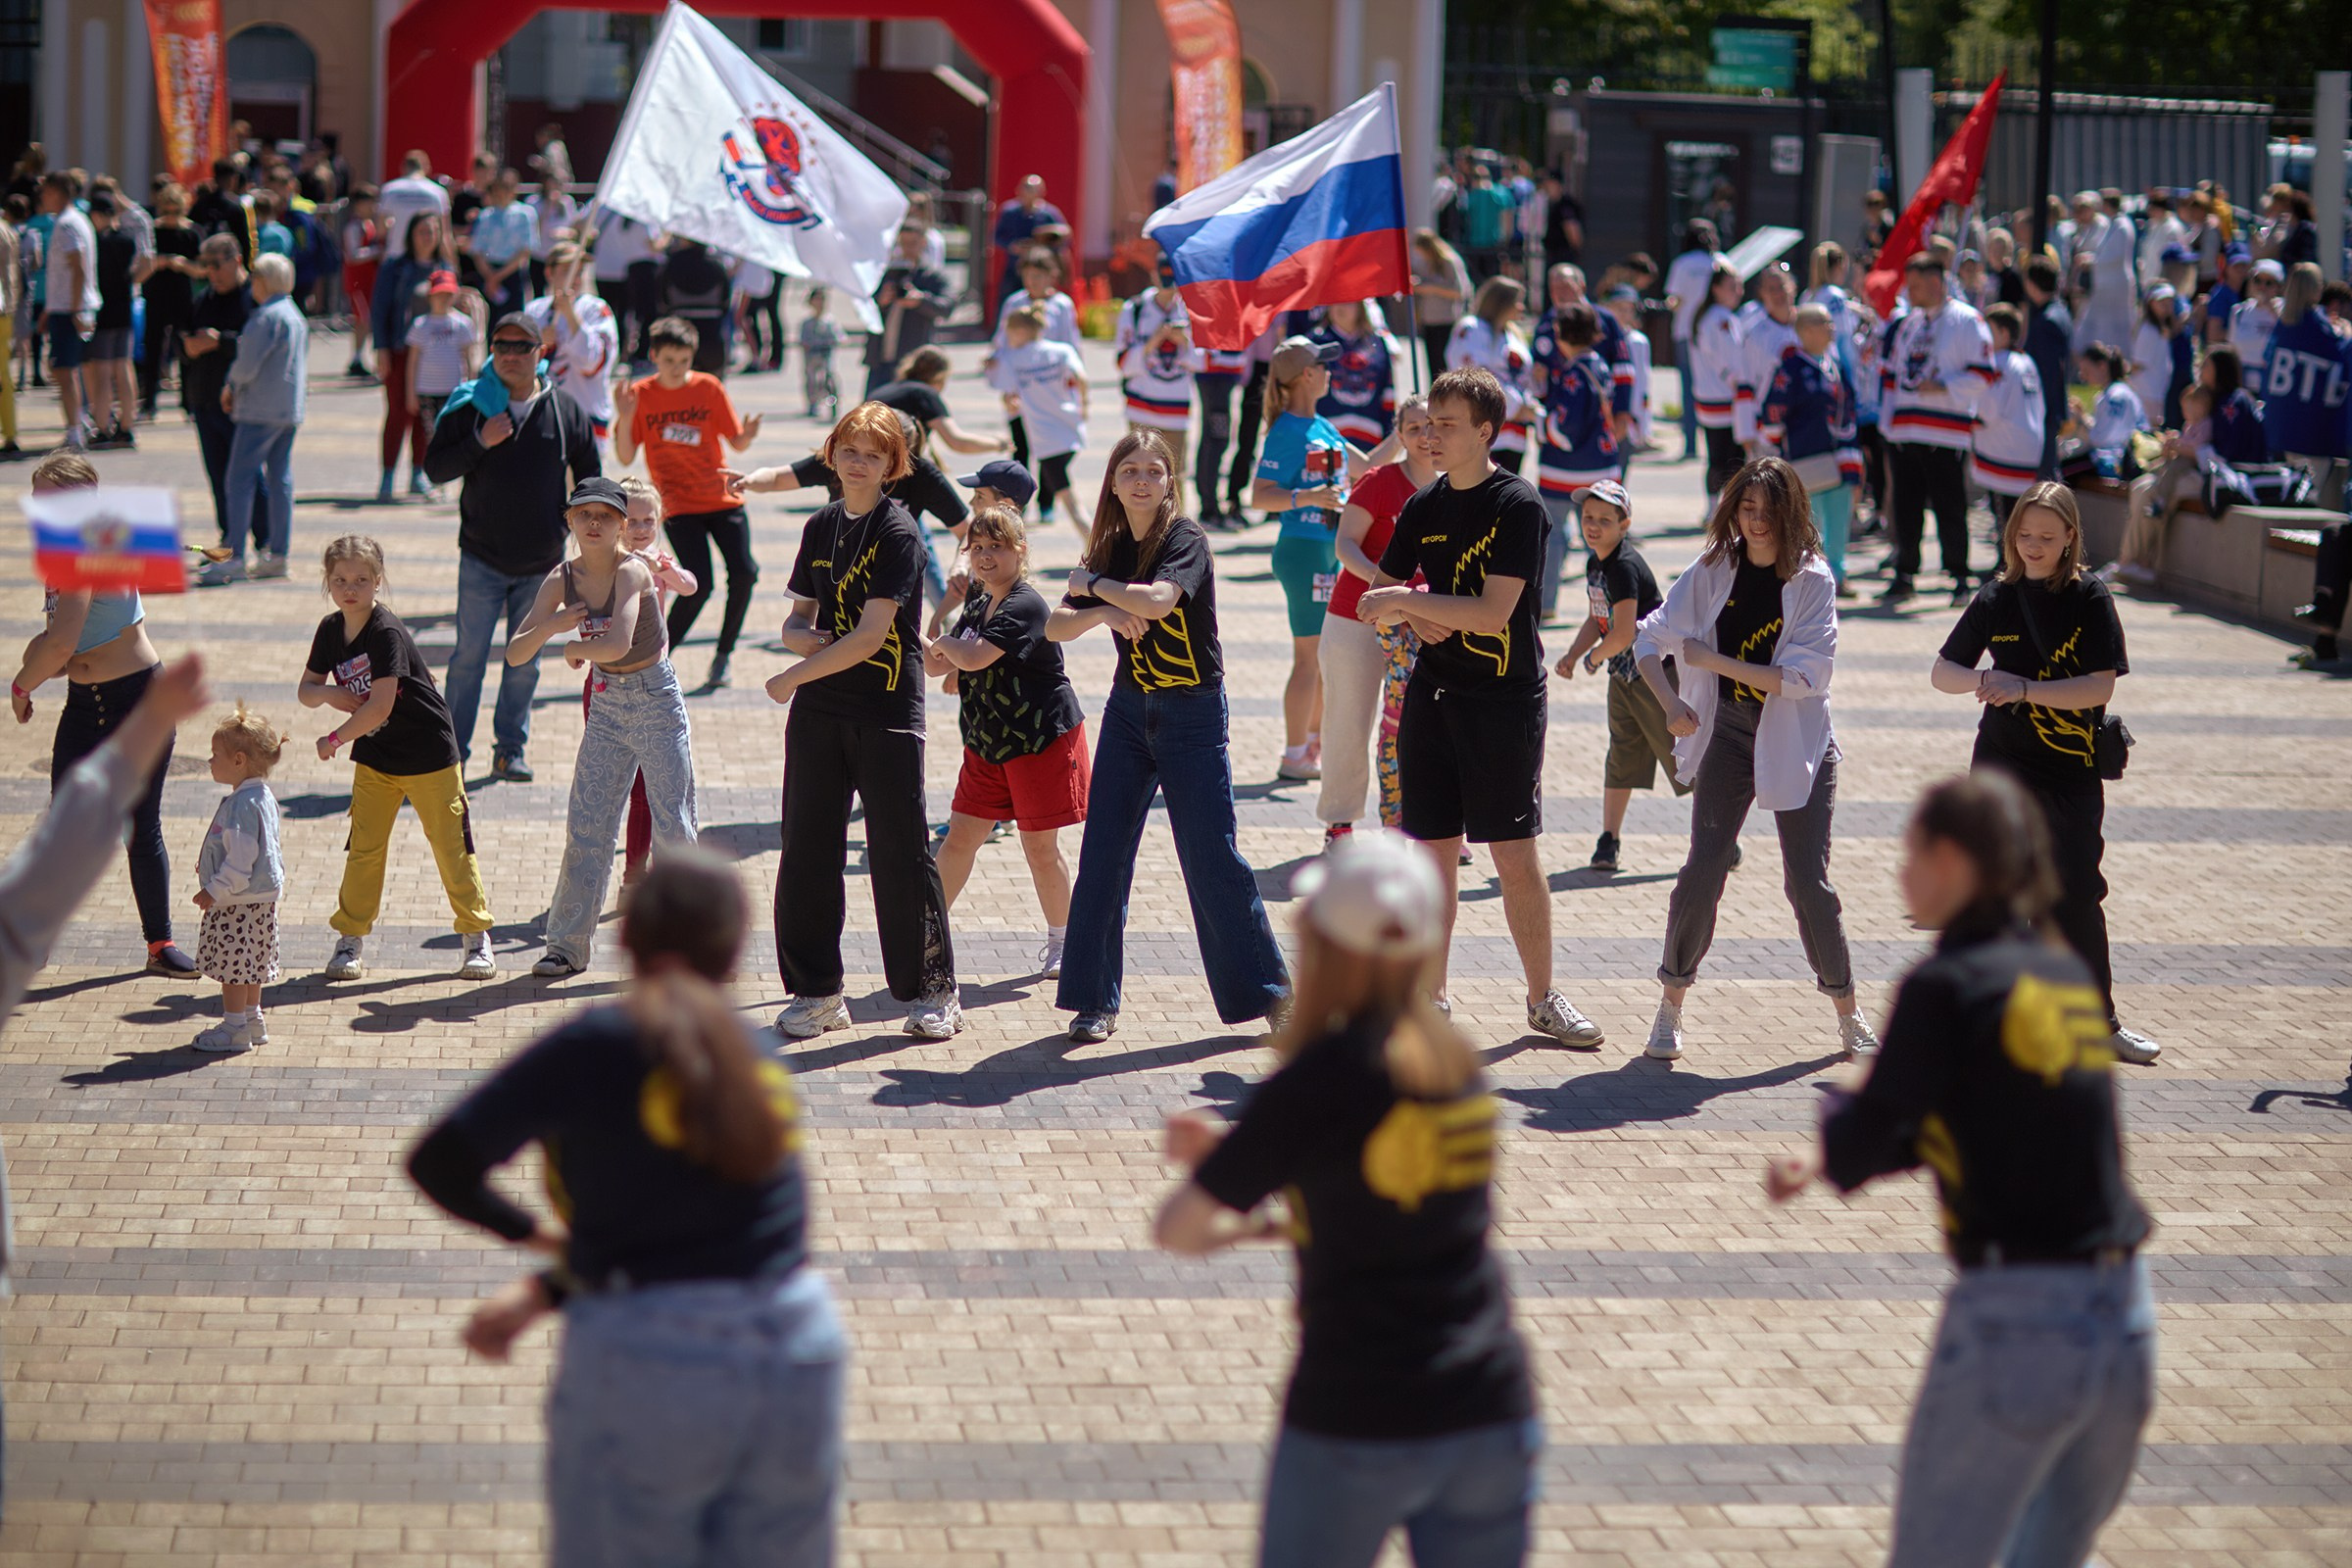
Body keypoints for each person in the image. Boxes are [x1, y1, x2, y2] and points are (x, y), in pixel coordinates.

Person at [405, 849, 844, 1567]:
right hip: (795, 1351)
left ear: (627, 941)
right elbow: (697, 1227)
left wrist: (540, 1243)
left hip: (650, 1363)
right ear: (734, 956)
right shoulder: (748, 1056)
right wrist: (546, 1292)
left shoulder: (597, 1044)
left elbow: (440, 1161)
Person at [1764, 770, 2154, 1567]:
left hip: (2021, 1322)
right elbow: (1992, 1115)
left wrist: (1836, 1134)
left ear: (1954, 861)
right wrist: (1836, 1155)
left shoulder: (1943, 986)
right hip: (2125, 1321)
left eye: (1913, 853)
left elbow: (1875, 1127)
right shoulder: (2061, 972)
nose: (1902, 873)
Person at [1152, 829, 1539, 1567]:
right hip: (1488, 1405)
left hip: (1356, 1408)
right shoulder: (1456, 1069)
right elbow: (1393, 1206)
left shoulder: (1316, 1082)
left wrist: (1228, 1181)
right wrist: (1284, 1195)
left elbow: (1178, 1230)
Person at [1357, 367, 1605, 1048]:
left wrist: (1411, 604)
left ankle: (1542, 999)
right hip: (1430, 699)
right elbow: (1377, 598)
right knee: (1430, 854)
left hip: (1503, 702)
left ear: (1486, 432)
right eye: (1428, 423)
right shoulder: (1422, 505)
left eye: (1447, 425)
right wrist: (1414, 610)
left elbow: (1494, 615)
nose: (1432, 436)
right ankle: (1430, 1000)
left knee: (1514, 855)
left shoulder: (1517, 504)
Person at [1632, 456, 1876, 1064]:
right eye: (1747, 508)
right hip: (1728, 736)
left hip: (1797, 741)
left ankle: (1848, 1011)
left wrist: (1711, 663)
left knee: (1808, 884)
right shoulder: (1716, 567)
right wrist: (1669, 703)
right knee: (1702, 869)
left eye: (1769, 510)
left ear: (1792, 513)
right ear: (1733, 509)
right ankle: (1670, 1004)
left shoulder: (1813, 579)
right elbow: (1648, 637)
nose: (1757, 521)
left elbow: (1804, 679)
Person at [1049, 430, 1288, 1041]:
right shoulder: (1105, 543)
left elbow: (1157, 602)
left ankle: (1273, 996)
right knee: (1103, 854)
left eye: (1154, 471)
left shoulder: (1185, 538)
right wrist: (1099, 607)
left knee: (1211, 859)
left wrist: (1093, 588)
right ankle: (1094, 1000)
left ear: (1168, 482)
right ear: (1112, 480)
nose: (1141, 481)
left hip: (1193, 712)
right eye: (1129, 470)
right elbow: (1055, 624)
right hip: (1129, 712)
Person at [1932, 482, 2160, 1065]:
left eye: (2046, 538)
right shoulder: (1996, 597)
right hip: (2002, 765)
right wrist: (1984, 682)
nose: (2033, 547)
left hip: (2070, 769)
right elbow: (1942, 672)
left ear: (2070, 539)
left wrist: (2026, 688)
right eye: (2024, 535)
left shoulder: (2089, 597)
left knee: (2077, 896)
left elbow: (2100, 685)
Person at [767, 402, 962, 1041]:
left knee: (900, 855)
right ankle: (817, 992)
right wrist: (806, 644)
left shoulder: (898, 531)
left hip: (885, 711)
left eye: (872, 454)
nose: (858, 462)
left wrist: (794, 670)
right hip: (820, 711)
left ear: (892, 465)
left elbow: (874, 636)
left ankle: (933, 991)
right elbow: (797, 621)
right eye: (850, 449)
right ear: (833, 451)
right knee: (805, 850)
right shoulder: (821, 524)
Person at [504, 477, 702, 978]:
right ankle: (566, 947)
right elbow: (515, 652)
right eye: (584, 515)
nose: (594, 524)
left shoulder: (632, 571)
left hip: (655, 698)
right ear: (569, 521)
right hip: (608, 706)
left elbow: (615, 644)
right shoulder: (560, 579)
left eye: (606, 516)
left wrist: (573, 649)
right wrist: (550, 627)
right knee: (587, 827)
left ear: (620, 525)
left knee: (674, 827)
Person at [9, 452, 197, 975]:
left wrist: (21, 686)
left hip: (136, 699)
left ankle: (159, 944)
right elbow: (57, 637)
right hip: (84, 703)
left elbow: (62, 642)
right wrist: (35, 661)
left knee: (141, 826)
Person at [302, 534, 498, 983]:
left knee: (452, 848)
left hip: (428, 751)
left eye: (361, 579)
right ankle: (349, 940)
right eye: (340, 580)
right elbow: (305, 690)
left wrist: (333, 739)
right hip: (376, 756)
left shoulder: (384, 631)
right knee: (364, 850)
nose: (350, 588)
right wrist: (331, 692)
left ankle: (476, 937)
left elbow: (380, 706)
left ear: (378, 581)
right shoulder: (331, 629)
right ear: (328, 583)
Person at [424, 310, 604, 782]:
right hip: (481, 557)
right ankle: (451, 755)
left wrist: (575, 525)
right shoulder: (471, 406)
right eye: (500, 345)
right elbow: (435, 469)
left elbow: (591, 480)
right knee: (466, 662)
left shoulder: (565, 411)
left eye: (520, 346)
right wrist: (479, 442)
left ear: (539, 353)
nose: (508, 355)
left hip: (542, 563)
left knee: (524, 664)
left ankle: (509, 750)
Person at [925, 506, 1088, 977]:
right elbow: (940, 664)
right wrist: (911, 636)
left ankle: (1064, 941)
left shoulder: (1025, 604)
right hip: (988, 743)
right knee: (959, 839)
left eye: (996, 546)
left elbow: (971, 658)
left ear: (1020, 550)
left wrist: (942, 645)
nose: (985, 556)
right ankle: (927, 930)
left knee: (1040, 850)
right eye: (977, 548)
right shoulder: (977, 603)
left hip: (1039, 741)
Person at [614, 316, 763, 692]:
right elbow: (626, 454)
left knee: (745, 572)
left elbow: (737, 443)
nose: (677, 369)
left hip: (721, 497)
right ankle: (658, 655)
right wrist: (627, 415)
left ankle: (724, 655)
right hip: (678, 505)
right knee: (698, 584)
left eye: (683, 361)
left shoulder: (709, 387)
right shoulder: (642, 394)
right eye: (668, 361)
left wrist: (747, 435)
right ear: (654, 356)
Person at [1550, 479, 1685, 875]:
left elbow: (1624, 632)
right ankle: (1608, 841)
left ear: (1624, 525)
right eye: (1588, 517)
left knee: (1684, 759)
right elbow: (1600, 618)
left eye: (1605, 520)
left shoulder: (1624, 565)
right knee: (1621, 755)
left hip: (1656, 677)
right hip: (1624, 677)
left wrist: (1592, 659)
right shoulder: (1597, 562)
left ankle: (1719, 839)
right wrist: (1574, 655)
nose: (1593, 526)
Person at [1319, 396, 1436, 847]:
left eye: (1433, 426)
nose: (1425, 437)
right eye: (1413, 428)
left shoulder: (1456, 486)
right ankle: (1340, 825)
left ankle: (1429, 825)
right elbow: (1345, 545)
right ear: (1398, 435)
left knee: (1423, 728)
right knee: (1349, 722)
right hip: (1357, 618)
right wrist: (1386, 584)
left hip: (1424, 624)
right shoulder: (1379, 482)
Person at [1251, 336, 1351, 783]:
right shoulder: (1288, 430)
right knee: (1309, 657)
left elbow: (1368, 467)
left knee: (1324, 656)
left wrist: (1408, 429)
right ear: (1306, 376)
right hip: (1303, 549)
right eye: (1323, 365)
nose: (1331, 371)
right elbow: (1259, 496)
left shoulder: (1321, 426)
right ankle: (1295, 752)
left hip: (1328, 549)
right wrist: (1307, 495)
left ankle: (1312, 744)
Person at [1882, 253, 1994, 607]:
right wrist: (1888, 423)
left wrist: (1944, 384)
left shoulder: (1967, 321)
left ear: (1934, 283)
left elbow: (1984, 374)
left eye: (1914, 285)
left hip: (1944, 432)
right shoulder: (1909, 323)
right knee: (1905, 505)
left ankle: (1959, 576)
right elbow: (1892, 373)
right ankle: (1905, 572)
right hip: (1905, 430)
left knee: (1949, 505)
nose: (1908, 292)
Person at [203, 254, 306, 586]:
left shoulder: (265, 317)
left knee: (239, 480)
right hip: (288, 409)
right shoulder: (294, 314)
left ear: (264, 281)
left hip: (259, 409)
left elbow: (246, 366)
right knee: (280, 480)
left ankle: (233, 556)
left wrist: (230, 385)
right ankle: (278, 554)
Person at [189, 705, 286, 1054]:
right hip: (260, 899)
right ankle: (252, 1019)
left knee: (233, 969)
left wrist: (213, 890)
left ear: (240, 760)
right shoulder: (261, 796)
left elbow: (242, 858)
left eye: (216, 755)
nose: (210, 760)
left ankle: (234, 1029)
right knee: (251, 966)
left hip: (237, 901)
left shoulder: (242, 805)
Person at [1757, 302, 1860, 592]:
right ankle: (1810, 578)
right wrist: (1779, 451)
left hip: (1839, 457)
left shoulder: (1835, 366)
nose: (1832, 329)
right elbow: (1773, 412)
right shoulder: (1790, 369)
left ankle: (1838, 574)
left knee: (1840, 518)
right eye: (1825, 324)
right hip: (1804, 459)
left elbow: (1849, 409)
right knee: (1808, 521)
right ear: (1805, 330)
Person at [1531, 303, 1620, 617]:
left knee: (1552, 536)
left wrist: (1537, 418)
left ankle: (1546, 604)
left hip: (1566, 471)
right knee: (1603, 538)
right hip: (1602, 465)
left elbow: (1564, 429)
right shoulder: (1600, 366)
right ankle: (1615, 603)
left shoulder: (1573, 373)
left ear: (1561, 335)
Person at [985, 302, 1089, 533]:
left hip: (1044, 433)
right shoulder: (1062, 350)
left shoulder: (1012, 358)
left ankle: (1094, 545)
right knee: (1065, 489)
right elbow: (1082, 378)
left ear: (1019, 331)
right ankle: (1092, 543)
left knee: (1071, 501)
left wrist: (1012, 403)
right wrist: (1084, 407)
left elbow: (1009, 397)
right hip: (1070, 424)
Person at [371, 211, 448, 502]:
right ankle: (388, 475)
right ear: (411, 235)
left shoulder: (444, 268)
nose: (428, 237)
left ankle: (419, 473)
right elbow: (379, 310)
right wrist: (381, 349)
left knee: (425, 415)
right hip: (400, 350)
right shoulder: (395, 267)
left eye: (433, 231)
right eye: (422, 231)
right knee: (398, 412)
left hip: (434, 356)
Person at [2259, 263, 2352, 503]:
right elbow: (2342, 355)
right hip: (2313, 434)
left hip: (2280, 431)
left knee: (2283, 496)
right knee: (2304, 501)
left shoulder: (2283, 326)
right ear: (2315, 289)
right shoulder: (2324, 330)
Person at [990, 248, 1082, 473]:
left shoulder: (1061, 305)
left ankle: (1046, 504)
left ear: (1052, 276)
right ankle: (1018, 501)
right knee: (1020, 446)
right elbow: (1002, 342)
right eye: (1028, 276)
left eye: (1038, 276)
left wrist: (1073, 382)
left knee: (1051, 449)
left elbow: (1071, 344)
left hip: (1049, 386)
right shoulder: (1015, 303)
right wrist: (994, 362)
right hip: (1021, 384)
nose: (1032, 281)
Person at [523, 240, 621, 450]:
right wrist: (539, 346)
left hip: (586, 419)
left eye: (579, 272)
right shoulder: (533, 311)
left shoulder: (597, 310)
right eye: (568, 271)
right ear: (549, 273)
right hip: (542, 418)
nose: (575, 279)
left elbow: (592, 363)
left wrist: (570, 315)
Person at [1113, 259, 1197, 495]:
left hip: (1177, 409)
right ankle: (1137, 529)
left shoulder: (1192, 309)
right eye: (1164, 277)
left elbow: (1205, 361)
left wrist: (1184, 342)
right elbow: (1122, 363)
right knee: (1137, 475)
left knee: (1174, 476)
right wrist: (1154, 341)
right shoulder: (1135, 308)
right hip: (1141, 407)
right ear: (1154, 274)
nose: (1169, 285)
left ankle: (1174, 529)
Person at [37, 172, 96, 449]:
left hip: (70, 308)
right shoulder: (74, 220)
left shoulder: (67, 224)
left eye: (46, 191)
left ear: (58, 192)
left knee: (65, 370)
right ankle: (79, 422)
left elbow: (78, 267)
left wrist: (73, 309)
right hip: (67, 306)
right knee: (68, 368)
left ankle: (75, 429)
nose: (43, 198)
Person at [862, 223, 951, 398]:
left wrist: (920, 300)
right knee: (872, 415)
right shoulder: (886, 273)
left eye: (913, 243)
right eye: (904, 243)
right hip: (881, 359)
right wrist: (881, 300)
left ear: (923, 243)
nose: (908, 249)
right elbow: (864, 306)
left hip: (913, 364)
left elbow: (946, 308)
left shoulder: (932, 277)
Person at [1663, 219, 1725, 462]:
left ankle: (1690, 445)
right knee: (1716, 388)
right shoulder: (1721, 262)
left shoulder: (1682, 264)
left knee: (1689, 390)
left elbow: (1674, 300)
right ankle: (1715, 445)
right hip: (1717, 334)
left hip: (1685, 332)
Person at [403, 269, 476, 458]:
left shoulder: (463, 324)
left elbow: (469, 357)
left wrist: (473, 386)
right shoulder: (421, 324)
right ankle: (435, 471)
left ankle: (450, 472)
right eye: (439, 294)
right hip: (427, 389)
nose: (443, 299)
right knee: (432, 434)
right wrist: (410, 392)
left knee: (453, 432)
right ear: (430, 296)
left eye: (448, 294)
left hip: (454, 389)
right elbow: (412, 362)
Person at [1689, 265, 1745, 507]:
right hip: (1724, 398)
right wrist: (1741, 386)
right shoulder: (1720, 319)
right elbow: (1728, 361)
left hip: (1710, 396)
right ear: (1716, 289)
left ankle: (1715, 507)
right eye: (1732, 286)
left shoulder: (1711, 316)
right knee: (1729, 458)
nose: (1739, 292)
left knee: (1720, 457)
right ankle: (1718, 508)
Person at [82, 192, 136, 448]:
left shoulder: (95, 242)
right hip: (124, 310)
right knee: (124, 367)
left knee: (102, 372)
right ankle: (127, 426)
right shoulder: (127, 241)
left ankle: (102, 426)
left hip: (103, 312)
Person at [1311, 299, 1396, 448]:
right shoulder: (1315, 344)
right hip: (1325, 442)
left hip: (1370, 441)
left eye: (1348, 301)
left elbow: (1387, 394)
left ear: (1361, 307)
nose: (1339, 306)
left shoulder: (1377, 344)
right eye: (1335, 300)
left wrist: (1389, 439)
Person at [2061, 344, 2147, 482]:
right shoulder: (2109, 394)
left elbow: (2104, 439)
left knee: (2061, 472)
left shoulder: (2117, 396)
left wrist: (2081, 419)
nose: (2082, 376)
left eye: (2086, 371)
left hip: (2118, 460)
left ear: (2102, 366)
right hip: (2112, 456)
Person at [2022, 257, 2075, 477]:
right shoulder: (2060, 312)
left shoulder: (2047, 322)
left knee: (2046, 475)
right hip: (2051, 407)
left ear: (2032, 284)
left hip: (2044, 408)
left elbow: (2048, 373)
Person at [655, 238, 732, 376]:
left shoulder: (671, 265)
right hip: (712, 336)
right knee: (711, 388)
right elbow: (725, 302)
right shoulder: (717, 266)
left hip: (679, 336)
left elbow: (661, 301)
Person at [1409, 228, 1472, 385]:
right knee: (1434, 368)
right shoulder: (1426, 263)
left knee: (1447, 366)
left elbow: (1460, 292)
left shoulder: (1448, 261)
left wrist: (1431, 288)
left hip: (1446, 321)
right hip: (1429, 320)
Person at [991, 173, 1065, 304]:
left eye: (1032, 189)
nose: (1028, 193)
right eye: (1025, 188)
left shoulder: (1049, 213)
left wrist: (1042, 242)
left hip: (1041, 268)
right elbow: (996, 236)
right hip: (1014, 267)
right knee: (1009, 300)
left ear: (1041, 192)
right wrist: (1012, 246)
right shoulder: (1009, 211)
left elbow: (1063, 236)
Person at [2128, 285, 2190, 429]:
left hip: (2158, 388)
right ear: (2151, 304)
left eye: (2169, 302)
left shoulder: (2161, 328)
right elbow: (2138, 364)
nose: (2166, 306)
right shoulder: (2148, 330)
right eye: (2161, 302)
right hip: (2147, 390)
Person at [338, 184, 381, 378]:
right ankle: (356, 358)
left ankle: (359, 357)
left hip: (368, 280)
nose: (373, 206)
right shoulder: (353, 227)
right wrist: (376, 252)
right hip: (357, 281)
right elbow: (352, 255)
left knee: (366, 320)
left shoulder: (369, 225)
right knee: (362, 319)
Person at [374, 149, 448, 264]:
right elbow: (445, 235)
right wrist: (452, 265)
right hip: (426, 259)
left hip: (396, 256)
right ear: (426, 168)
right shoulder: (437, 192)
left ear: (403, 167)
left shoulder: (389, 190)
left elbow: (380, 230)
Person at [797, 285, 841, 420]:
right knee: (811, 379)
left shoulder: (829, 321)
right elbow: (803, 340)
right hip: (811, 355)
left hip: (825, 354)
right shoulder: (807, 323)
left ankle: (833, 402)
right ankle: (812, 403)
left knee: (829, 378)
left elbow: (838, 337)